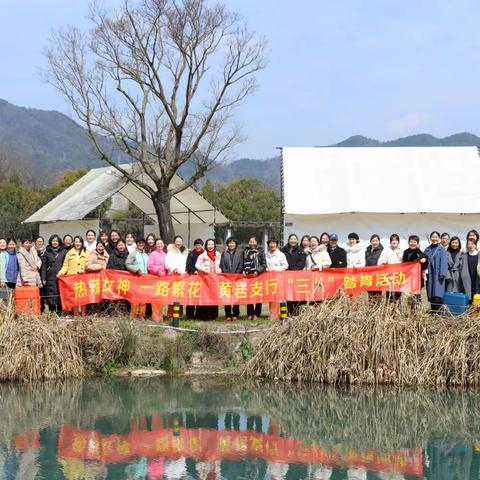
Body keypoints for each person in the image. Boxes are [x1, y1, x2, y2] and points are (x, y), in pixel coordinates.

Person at [58, 236, 90, 316]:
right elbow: (65, 266)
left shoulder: (86, 253)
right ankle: (75, 315)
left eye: (79, 242)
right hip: (72, 278)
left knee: (83, 297)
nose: (78, 243)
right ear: (73, 243)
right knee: (74, 297)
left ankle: (83, 315)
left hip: (83, 278)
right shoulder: (69, 253)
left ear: (82, 243)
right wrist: (61, 273)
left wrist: (84, 269)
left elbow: (89, 264)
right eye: (76, 242)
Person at [195, 238, 221, 320]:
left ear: (214, 245)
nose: (210, 246)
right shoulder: (202, 255)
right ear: (206, 246)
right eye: (209, 244)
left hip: (215, 279)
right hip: (205, 279)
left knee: (214, 296)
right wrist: (203, 269)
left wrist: (219, 270)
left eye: (212, 244)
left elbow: (221, 265)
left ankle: (213, 315)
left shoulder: (218, 254)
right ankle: (204, 316)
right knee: (205, 296)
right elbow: (197, 265)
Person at [220, 237, 244, 321]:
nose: (231, 244)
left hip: (237, 278)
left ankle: (235, 314)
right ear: (227, 244)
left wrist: (236, 274)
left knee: (236, 296)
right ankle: (228, 314)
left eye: (233, 243)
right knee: (227, 297)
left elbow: (241, 264)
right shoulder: (224, 253)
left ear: (236, 244)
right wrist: (227, 274)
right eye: (230, 243)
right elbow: (222, 264)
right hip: (226, 278)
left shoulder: (240, 253)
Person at [424, 231, 449, 312]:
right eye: (433, 237)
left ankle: (439, 312)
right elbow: (424, 260)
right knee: (431, 293)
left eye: (436, 237)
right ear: (431, 238)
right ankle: (433, 311)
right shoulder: (427, 249)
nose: (434, 239)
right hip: (430, 274)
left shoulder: (441, 249)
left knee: (438, 293)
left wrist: (442, 273)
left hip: (438, 275)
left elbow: (444, 262)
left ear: (439, 238)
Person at [243, 236, 266, 320]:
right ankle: (250, 313)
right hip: (248, 277)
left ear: (256, 242)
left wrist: (257, 271)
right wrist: (244, 270)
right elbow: (242, 262)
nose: (252, 243)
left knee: (257, 295)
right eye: (250, 242)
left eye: (253, 242)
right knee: (249, 295)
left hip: (258, 276)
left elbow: (264, 264)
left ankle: (257, 313)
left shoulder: (260, 251)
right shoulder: (245, 251)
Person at [165, 235, 189, 320]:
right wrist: (174, 269)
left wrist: (186, 270)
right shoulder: (170, 252)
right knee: (172, 295)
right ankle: (171, 314)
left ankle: (179, 314)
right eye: (177, 241)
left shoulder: (185, 252)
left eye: (180, 241)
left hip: (183, 277)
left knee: (180, 295)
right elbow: (167, 263)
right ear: (174, 242)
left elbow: (187, 263)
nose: (179, 243)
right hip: (173, 276)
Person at [282, 234, 306, 316]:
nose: (293, 241)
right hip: (287, 276)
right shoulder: (284, 249)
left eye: (294, 239)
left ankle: (297, 313)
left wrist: (294, 271)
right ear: (288, 240)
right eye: (291, 239)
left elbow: (302, 262)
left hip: (297, 276)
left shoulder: (301, 250)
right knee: (288, 295)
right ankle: (289, 313)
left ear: (297, 241)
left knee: (297, 294)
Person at [402, 235, 428, 309]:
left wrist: (424, 261)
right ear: (408, 242)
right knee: (409, 296)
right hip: (408, 278)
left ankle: (417, 313)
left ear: (418, 243)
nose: (412, 243)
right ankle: (411, 313)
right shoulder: (405, 252)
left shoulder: (420, 254)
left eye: (414, 242)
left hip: (417, 279)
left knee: (416, 296)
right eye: (411, 242)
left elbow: (425, 265)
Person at [41, 235, 64, 313]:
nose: (55, 242)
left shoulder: (63, 251)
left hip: (60, 277)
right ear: (50, 242)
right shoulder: (47, 252)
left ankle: (60, 311)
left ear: (59, 242)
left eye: (56, 241)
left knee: (60, 293)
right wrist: (43, 278)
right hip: (50, 277)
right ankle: (52, 311)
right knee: (50, 293)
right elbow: (44, 266)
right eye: (53, 241)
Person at [265, 239, 288, 320]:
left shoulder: (281, 255)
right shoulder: (266, 255)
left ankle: (275, 315)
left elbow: (285, 266)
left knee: (277, 297)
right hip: (269, 279)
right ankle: (271, 313)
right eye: (270, 243)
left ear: (276, 244)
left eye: (274, 243)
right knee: (270, 296)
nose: (272, 245)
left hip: (278, 278)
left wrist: (274, 268)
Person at [185, 239, 204, 320]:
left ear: (202, 245)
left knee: (201, 297)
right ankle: (190, 316)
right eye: (196, 245)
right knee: (192, 296)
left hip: (203, 279)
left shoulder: (205, 254)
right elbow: (188, 265)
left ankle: (199, 315)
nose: (198, 246)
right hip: (192, 279)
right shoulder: (191, 254)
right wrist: (194, 271)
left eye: (199, 245)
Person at [365, 234, 384, 301]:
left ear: (379, 242)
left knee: (377, 293)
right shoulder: (367, 250)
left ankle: (377, 309)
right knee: (370, 293)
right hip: (368, 275)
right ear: (370, 241)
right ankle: (371, 309)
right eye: (373, 241)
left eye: (376, 241)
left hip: (378, 275)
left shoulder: (382, 251)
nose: (375, 242)